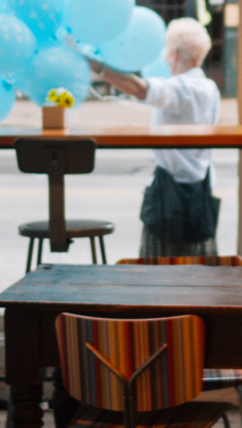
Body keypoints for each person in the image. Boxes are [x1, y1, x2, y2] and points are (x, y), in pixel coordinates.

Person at [90, 18, 221, 257]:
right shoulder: (210, 88)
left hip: (170, 191)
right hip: (202, 186)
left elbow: (141, 89)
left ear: (173, 54)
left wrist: (98, 67)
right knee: (198, 264)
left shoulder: (181, 89)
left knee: (161, 264)